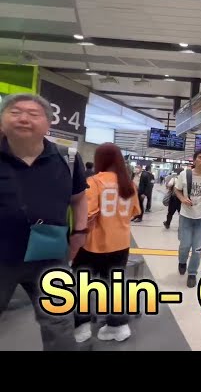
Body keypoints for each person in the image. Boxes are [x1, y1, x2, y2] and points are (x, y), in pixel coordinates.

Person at [0, 93, 88, 351]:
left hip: (49, 255)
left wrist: (80, 232)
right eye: (15, 112)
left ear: (49, 124)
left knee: (58, 323)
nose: (24, 118)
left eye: (33, 114)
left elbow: (79, 199)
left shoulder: (68, 159)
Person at [72, 142, 141, 343]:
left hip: (93, 244)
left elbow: (87, 213)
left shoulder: (94, 182)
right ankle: (118, 326)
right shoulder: (129, 185)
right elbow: (135, 211)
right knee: (115, 284)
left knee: (82, 283)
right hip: (120, 244)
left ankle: (82, 326)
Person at [173, 149, 201, 288]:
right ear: (194, 160)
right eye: (200, 157)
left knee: (198, 248)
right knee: (185, 244)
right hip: (186, 215)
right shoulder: (184, 174)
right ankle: (182, 261)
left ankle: (192, 273)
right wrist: (182, 198)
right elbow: (177, 189)